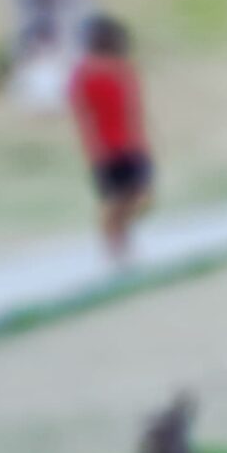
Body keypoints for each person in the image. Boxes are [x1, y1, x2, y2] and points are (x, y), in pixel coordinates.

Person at [67, 15, 151, 265]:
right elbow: (83, 112)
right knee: (114, 199)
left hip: (130, 144)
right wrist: (93, 147)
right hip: (107, 147)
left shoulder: (123, 69)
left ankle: (120, 239)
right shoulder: (86, 73)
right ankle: (115, 248)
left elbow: (133, 108)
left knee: (138, 197)